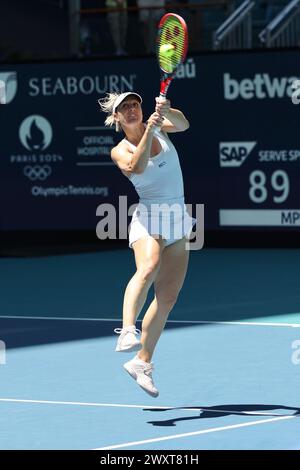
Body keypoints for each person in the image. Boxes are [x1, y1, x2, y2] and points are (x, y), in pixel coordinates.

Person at [98, 91, 195, 397]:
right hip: (149, 216)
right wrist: (151, 129)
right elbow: (138, 167)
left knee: (168, 297)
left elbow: (183, 125)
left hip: (178, 216)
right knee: (149, 266)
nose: (131, 110)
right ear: (116, 118)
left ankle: (142, 362)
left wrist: (168, 109)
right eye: (124, 108)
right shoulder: (119, 150)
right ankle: (127, 330)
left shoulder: (161, 124)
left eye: (134, 105)